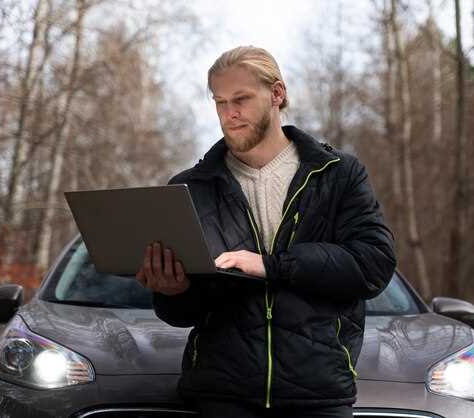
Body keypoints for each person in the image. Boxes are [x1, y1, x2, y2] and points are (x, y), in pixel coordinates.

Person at [135, 46, 396, 418]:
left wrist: (272, 266)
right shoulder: (190, 187)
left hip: (319, 394)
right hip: (222, 395)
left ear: (277, 94)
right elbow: (183, 314)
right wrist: (173, 291)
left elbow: (374, 264)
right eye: (220, 102)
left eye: (241, 99)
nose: (229, 113)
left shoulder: (339, 174)